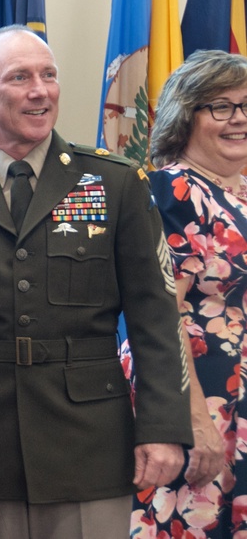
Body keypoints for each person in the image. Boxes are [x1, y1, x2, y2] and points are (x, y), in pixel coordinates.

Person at [0, 24, 192, 538]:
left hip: (88, 441)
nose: (40, 90)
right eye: (20, 77)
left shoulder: (114, 183)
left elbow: (155, 318)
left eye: (49, 75)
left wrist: (163, 429)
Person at [130, 50, 247, 538]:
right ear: (185, 115)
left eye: (246, 105)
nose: (238, 118)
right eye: (221, 106)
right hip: (203, 401)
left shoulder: (240, 190)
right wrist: (191, 420)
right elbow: (159, 317)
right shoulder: (170, 192)